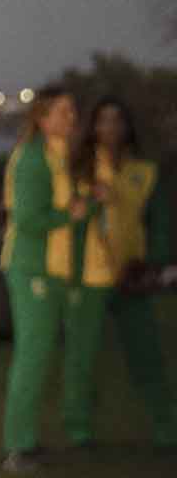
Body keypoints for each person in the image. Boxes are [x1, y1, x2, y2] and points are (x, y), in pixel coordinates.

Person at [61, 96, 176, 448]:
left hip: (131, 277)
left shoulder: (145, 172)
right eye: (102, 121)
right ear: (93, 127)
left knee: (147, 354)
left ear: (127, 127)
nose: (109, 128)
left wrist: (154, 262)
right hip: (90, 277)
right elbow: (69, 221)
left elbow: (159, 224)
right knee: (81, 356)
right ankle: (78, 428)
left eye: (116, 121)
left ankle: (166, 425)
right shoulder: (79, 169)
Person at [0, 87, 88, 472]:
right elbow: (29, 220)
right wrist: (73, 214)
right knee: (32, 358)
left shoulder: (58, 155)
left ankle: (27, 440)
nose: (72, 118)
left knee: (40, 355)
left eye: (73, 111)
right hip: (30, 268)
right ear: (42, 117)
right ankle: (18, 448)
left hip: (52, 269)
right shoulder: (33, 159)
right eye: (64, 112)